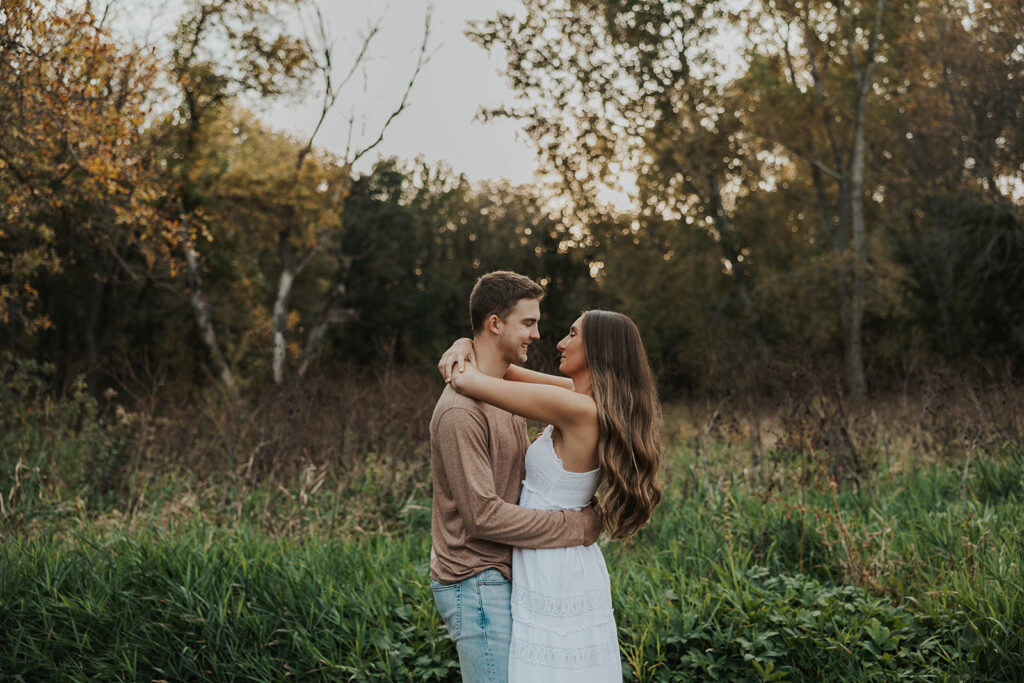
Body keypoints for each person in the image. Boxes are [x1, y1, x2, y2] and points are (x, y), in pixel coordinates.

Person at [439, 307, 663, 682]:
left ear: (598, 350)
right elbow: (500, 367)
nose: (560, 342)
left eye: (573, 335)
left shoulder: (575, 407)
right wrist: (465, 342)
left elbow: (471, 382)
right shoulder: (578, 397)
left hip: (555, 567)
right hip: (557, 555)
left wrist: (462, 354)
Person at [430, 271, 602, 683]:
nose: (538, 334)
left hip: (505, 575)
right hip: (475, 580)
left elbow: (581, 396)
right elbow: (483, 516)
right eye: (528, 323)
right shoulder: (461, 412)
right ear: (495, 324)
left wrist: (463, 345)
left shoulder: (499, 390)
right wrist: (575, 526)